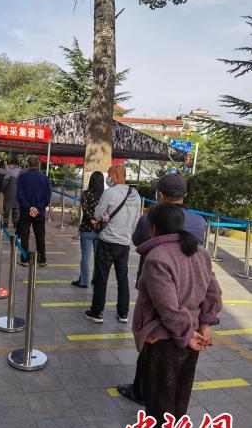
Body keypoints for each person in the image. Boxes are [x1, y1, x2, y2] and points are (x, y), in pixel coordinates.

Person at [128, 203, 222, 428]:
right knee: (179, 392)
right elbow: (213, 293)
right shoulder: (200, 253)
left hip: (164, 339)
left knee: (159, 396)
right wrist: (203, 326)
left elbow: (167, 307)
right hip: (190, 336)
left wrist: (187, 334)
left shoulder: (157, 257)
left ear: (153, 228)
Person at [118, 173, 206, 404]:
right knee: (180, 369)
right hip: (190, 292)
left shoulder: (150, 219)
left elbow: (138, 241)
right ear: (185, 194)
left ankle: (142, 392)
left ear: (159, 195)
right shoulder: (199, 222)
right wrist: (204, 324)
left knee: (152, 343)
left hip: (156, 289)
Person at [85, 164, 141, 324]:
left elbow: (97, 214)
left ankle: (97, 312)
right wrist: (127, 234)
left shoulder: (109, 193)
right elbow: (136, 220)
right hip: (124, 244)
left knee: (101, 278)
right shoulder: (135, 195)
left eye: (110, 176)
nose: (108, 179)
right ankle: (123, 313)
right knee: (122, 279)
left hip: (107, 242)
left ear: (117, 176)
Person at [17, 155, 51, 267]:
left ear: (28, 164)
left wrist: (29, 207)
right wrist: (38, 208)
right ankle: (42, 259)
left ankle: (24, 259)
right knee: (40, 236)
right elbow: (47, 196)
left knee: (24, 236)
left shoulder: (22, 177)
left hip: (25, 211)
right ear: (38, 164)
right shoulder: (45, 178)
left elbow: (20, 195)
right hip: (39, 212)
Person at [71, 171, 104, 288]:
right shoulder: (105, 195)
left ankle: (84, 281)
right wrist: (97, 221)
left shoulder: (85, 194)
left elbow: (85, 209)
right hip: (100, 230)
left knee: (85, 257)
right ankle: (96, 280)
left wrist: (91, 220)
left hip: (86, 228)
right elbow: (106, 211)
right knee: (98, 257)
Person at [3, 157, 21, 228]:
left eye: (10, 164)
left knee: (6, 209)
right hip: (17, 193)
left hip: (8, 193)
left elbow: (5, 183)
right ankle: (15, 223)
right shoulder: (20, 171)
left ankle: (5, 222)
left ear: (13, 164)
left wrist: (3, 190)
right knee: (15, 209)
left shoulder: (8, 171)